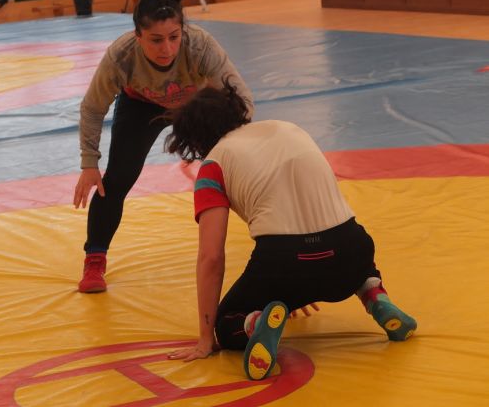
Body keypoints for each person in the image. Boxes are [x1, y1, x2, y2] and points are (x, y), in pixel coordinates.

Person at [164, 82, 417, 380]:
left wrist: (206, 338)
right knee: (357, 260)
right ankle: (374, 294)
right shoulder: (288, 128)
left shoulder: (213, 164)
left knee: (226, 324)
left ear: (194, 140)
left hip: (285, 265)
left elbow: (211, 256)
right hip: (351, 251)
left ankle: (256, 323)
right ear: (237, 111)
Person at [73, 0, 254, 293]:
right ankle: (95, 259)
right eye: (155, 40)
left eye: (173, 37)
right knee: (116, 179)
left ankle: (272, 247)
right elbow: (92, 108)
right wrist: (89, 163)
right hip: (141, 106)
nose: (167, 49)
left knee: (237, 174)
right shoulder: (122, 56)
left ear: (183, 30)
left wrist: (244, 146)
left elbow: (241, 98)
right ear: (137, 36)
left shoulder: (200, 45)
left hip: (194, 106)